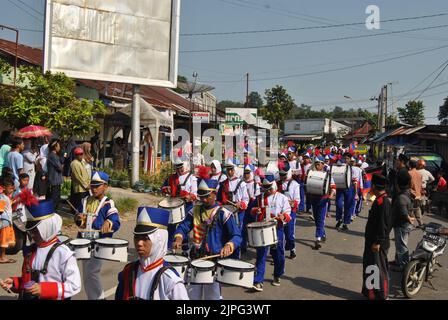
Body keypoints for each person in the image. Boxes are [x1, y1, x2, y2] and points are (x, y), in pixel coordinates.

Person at [172, 170, 241, 300]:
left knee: (213, 297)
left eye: (206, 196)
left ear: (214, 194)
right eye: (201, 196)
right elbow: (183, 226)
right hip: (196, 259)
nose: (203, 199)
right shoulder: (195, 210)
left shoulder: (224, 213)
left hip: (214, 261)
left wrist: (229, 245)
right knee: (192, 296)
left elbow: (237, 236)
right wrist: (179, 236)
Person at [0, 199, 81, 300]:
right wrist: (16, 283)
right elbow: (30, 280)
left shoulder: (63, 253)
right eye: (30, 231)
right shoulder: (31, 250)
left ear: (47, 227)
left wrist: (44, 290)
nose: (32, 235)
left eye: (36, 231)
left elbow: (74, 285)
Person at [115, 207, 189, 300]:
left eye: (145, 238)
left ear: (159, 240)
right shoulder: (128, 272)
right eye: (137, 237)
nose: (139, 243)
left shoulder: (170, 280)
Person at [75, 171, 121, 300]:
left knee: (92, 272)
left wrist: (109, 222)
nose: (94, 188)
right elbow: (78, 219)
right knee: (86, 275)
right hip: (84, 241)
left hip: (98, 243)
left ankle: (99, 298)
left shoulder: (108, 203)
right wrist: (79, 219)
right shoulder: (84, 200)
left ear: (105, 186)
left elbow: (116, 220)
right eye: (92, 185)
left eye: (97, 186)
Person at [251, 174, 291, 291]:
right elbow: (251, 211)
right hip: (263, 229)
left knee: (278, 255)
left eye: (268, 187)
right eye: (264, 187)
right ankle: (258, 281)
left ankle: (277, 274)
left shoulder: (282, 198)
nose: (266, 190)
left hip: (277, 229)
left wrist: (283, 216)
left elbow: (288, 214)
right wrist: (255, 210)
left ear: (273, 185)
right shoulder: (259, 198)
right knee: (261, 255)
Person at [361, 174, 392, 300]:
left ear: (374, 186)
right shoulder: (379, 200)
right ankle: (370, 293)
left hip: (377, 242)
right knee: (370, 267)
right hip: (372, 241)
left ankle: (381, 295)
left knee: (378, 268)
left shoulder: (383, 202)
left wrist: (378, 242)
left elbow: (383, 225)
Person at [161, 160, 198, 249]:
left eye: (181, 167)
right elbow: (163, 188)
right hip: (173, 205)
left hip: (187, 205)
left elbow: (195, 194)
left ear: (184, 166)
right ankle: (169, 249)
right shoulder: (171, 177)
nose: (179, 170)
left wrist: (190, 196)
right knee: (171, 227)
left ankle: (185, 250)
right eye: (177, 168)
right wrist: (166, 189)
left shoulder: (191, 177)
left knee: (184, 228)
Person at [217, 160, 249, 259]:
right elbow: (218, 200)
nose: (229, 172)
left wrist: (241, 204)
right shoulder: (222, 184)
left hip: (238, 213)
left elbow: (246, 199)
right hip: (225, 213)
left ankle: (236, 258)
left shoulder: (242, 183)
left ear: (235, 170)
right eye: (228, 169)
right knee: (225, 233)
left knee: (236, 235)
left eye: (231, 169)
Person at [308, 157, 336, 250]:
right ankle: (322, 234)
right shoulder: (311, 174)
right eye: (316, 164)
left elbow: (333, 188)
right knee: (316, 220)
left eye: (318, 164)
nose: (317, 166)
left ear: (323, 165)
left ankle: (318, 239)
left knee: (320, 220)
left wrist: (331, 196)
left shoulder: (328, 175)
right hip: (314, 199)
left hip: (323, 200)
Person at [390, 170, 415, 271]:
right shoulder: (408, 192)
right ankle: (397, 260)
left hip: (402, 224)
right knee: (399, 243)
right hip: (403, 224)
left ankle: (403, 265)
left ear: (398, 184)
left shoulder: (401, 197)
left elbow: (403, 210)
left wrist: (408, 217)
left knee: (401, 245)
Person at [277, 162, 300, 260]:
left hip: (291, 212)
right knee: (279, 236)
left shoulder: (295, 184)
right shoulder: (277, 184)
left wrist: (289, 203)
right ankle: (278, 256)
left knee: (290, 234)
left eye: (284, 175)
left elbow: (297, 200)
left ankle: (292, 249)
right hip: (279, 213)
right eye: (280, 175)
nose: (282, 177)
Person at [335, 153, 358, 231]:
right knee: (338, 204)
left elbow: (355, 181)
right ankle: (339, 220)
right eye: (344, 158)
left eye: (347, 158)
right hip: (340, 187)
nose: (346, 160)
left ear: (350, 159)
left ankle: (345, 223)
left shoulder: (353, 169)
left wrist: (356, 193)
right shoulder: (339, 166)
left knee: (348, 206)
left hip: (349, 188)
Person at [0, 176, 16, 264]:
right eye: (10, 188)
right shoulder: (2, 197)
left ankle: (3, 256)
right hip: (4, 222)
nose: (12, 190)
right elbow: (1, 210)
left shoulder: (5, 197)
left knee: (4, 240)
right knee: (3, 241)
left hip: (6, 221)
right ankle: (2, 257)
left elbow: (8, 204)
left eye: (12, 188)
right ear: (4, 188)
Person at [70, 147, 90, 213]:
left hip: (84, 187)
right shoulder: (74, 163)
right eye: (79, 154)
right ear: (76, 155)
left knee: (84, 202)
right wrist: (86, 185)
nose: (81, 155)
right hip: (80, 187)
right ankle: (77, 214)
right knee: (79, 202)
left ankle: (81, 213)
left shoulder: (80, 162)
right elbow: (78, 176)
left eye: (82, 154)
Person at [46, 139, 65, 210]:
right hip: (54, 180)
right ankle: (53, 212)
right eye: (59, 146)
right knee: (54, 198)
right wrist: (62, 166)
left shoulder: (54, 155)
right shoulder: (52, 156)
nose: (59, 147)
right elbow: (60, 168)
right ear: (55, 147)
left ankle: (54, 211)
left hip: (56, 180)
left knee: (57, 198)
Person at [408, 160, 423, 226]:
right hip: (418, 194)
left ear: (409, 165)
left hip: (412, 194)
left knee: (410, 209)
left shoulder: (409, 173)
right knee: (417, 209)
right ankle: (421, 223)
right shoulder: (419, 174)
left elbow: (409, 185)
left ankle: (411, 223)